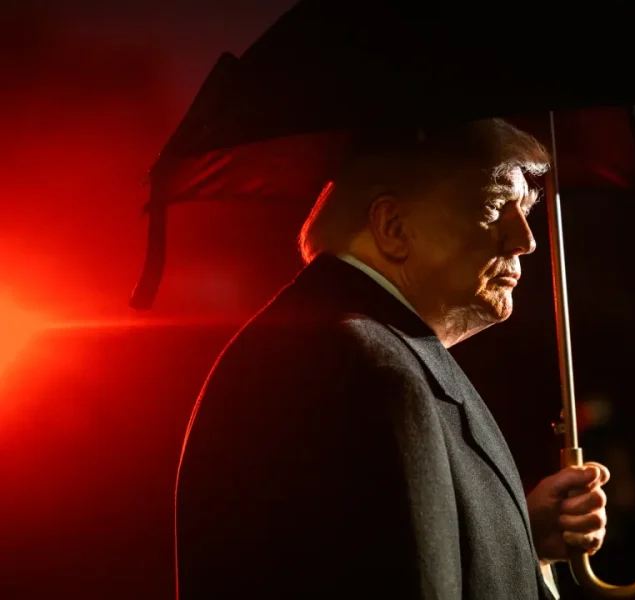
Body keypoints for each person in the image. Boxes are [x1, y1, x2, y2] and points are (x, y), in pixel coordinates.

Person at [174, 119, 611, 599]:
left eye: (524, 209)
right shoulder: (369, 369)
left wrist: (523, 543)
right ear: (393, 227)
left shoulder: (349, 347)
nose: (525, 239)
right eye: (493, 206)